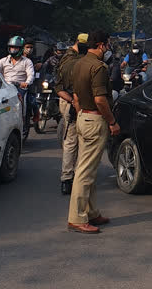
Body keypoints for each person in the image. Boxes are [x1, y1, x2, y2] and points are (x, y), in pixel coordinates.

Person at [67, 30, 120, 234]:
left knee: (88, 169)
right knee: (85, 172)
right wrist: (112, 121)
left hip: (83, 117)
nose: (108, 48)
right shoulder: (98, 68)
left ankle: (91, 212)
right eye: (107, 44)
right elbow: (100, 100)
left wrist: (83, 115)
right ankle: (77, 217)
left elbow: (76, 95)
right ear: (101, 45)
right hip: (94, 119)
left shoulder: (79, 63)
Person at [55, 33, 87, 195]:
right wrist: (74, 102)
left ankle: (67, 178)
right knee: (78, 140)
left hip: (67, 100)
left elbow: (58, 87)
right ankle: (73, 177)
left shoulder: (65, 58)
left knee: (70, 141)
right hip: (74, 102)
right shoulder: (76, 61)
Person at [0, 36, 35, 107]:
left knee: (27, 102)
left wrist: (26, 83)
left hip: (20, 88)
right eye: (12, 47)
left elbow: (31, 75)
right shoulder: (3, 61)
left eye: (16, 48)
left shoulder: (27, 61)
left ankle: (25, 116)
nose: (13, 50)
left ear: (21, 49)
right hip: (5, 87)